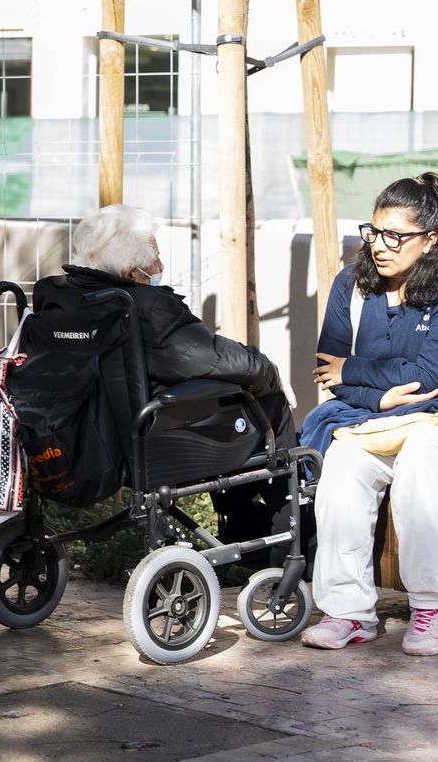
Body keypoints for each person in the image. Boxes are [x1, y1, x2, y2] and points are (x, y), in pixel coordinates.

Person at [300, 172, 438, 656]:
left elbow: (432, 377)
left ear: (430, 241)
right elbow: (327, 370)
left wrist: (356, 372)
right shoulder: (352, 284)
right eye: (374, 232)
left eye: (396, 236)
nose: (380, 246)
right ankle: (348, 612)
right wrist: (376, 399)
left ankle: (430, 606)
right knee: (342, 469)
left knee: (424, 463)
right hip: (371, 417)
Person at [43, 204, 294, 549]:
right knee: (267, 406)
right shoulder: (147, 307)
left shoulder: (64, 298)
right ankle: (288, 538)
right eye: (155, 260)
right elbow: (211, 358)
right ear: (132, 272)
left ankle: (244, 526)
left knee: (239, 401)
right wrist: (269, 372)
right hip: (156, 439)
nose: (161, 268)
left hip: (92, 440)